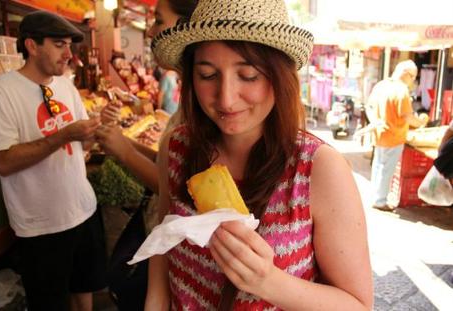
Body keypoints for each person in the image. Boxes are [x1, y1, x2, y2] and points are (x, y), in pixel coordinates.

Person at [145, 0, 374, 309]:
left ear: (279, 76)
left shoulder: (318, 168)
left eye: (249, 75)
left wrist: (269, 282)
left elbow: (358, 305)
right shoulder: (176, 147)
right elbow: (163, 245)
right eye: (208, 75)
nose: (226, 99)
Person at [0, 11, 107, 311]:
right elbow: (3, 161)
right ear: (32, 46)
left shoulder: (66, 85)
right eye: (59, 44)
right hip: (41, 225)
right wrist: (62, 136)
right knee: (50, 302)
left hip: (83, 208)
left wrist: (100, 129)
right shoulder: (2, 91)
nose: (69, 54)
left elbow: (83, 143)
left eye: (70, 45)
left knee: (85, 289)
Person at [97, 0, 198, 195]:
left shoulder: (202, 103)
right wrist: (122, 142)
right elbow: (167, 163)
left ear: (186, 26)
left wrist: (126, 152)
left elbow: (176, 191)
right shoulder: (189, 96)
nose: (150, 32)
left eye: (158, 21)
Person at [367, 60, 429, 212]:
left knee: (378, 166)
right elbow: (407, 116)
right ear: (405, 74)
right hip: (394, 135)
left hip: (379, 133)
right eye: (413, 77)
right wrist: (421, 122)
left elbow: (369, 106)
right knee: (386, 169)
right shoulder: (401, 91)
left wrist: (375, 122)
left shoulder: (381, 85)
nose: (412, 81)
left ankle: (375, 197)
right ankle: (380, 201)